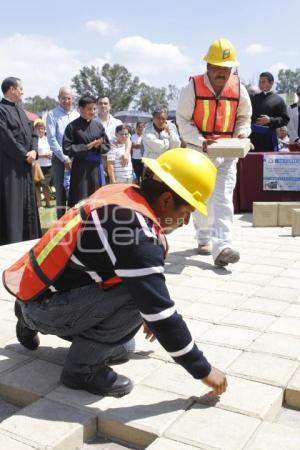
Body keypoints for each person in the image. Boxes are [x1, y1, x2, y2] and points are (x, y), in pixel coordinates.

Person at [5, 148, 228, 398]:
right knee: (139, 297)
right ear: (166, 199)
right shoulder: (137, 233)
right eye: (186, 212)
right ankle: (81, 370)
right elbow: (161, 312)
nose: (185, 222)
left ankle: (27, 317)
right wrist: (203, 369)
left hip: (38, 290)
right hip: (45, 306)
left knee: (124, 348)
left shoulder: (122, 193)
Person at [176, 38, 252, 266]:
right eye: (218, 67)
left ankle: (223, 247)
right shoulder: (192, 87)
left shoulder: (239, 88)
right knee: (203, 200)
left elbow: (244, 118)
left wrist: (242, 133)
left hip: (228, 153)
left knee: (223, 199)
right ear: (208, 66)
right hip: (199, 152)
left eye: (227, 68)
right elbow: (183, 120)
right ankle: (203, 237)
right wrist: (201, 141)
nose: (222, 73)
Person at [0, 76, 41, 245]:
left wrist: (34, 151)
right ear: (11, 89)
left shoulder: (22, 111)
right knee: (12, 204)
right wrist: (25, 154)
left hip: (25, 165)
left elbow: (33, 133)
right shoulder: (1, 110)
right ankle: (12, 240)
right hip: (10, 166)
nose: (22, 92)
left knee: (28, 203)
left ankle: (28, 239)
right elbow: (6, 138)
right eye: (20, 88)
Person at [63, 95, 110, 208]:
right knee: (80, 197)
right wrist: (86, 147)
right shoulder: (72, 127)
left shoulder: (98, 125)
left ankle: (96, 223)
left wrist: (99, 146)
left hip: (96, 168)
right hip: (81, 169)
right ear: (81, 108)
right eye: (90, 109)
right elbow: (66, 148)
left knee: (97, 198)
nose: (93, 112)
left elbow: (107, 145)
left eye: (94, 109)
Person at [46, 87, 79, 218]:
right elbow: (51, 139)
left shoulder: (77, 114)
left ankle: (74, 222)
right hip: (60, 160)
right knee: (60, 194)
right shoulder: (52, 115)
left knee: (75, 191)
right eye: (63, 98)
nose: (66, 101)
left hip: (76, 160)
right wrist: (64, 158)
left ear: (73, 99)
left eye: (69, 98)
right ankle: (61, 223)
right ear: (59, 99)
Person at [250, 72, 289, 152]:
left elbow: (285, 119)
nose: (260, 84)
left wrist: (270, 120)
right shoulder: (253, 99)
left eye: (263, 81)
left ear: (271, 83)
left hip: (269, 140)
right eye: (260, 81)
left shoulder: (278, 100)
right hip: (253, 139)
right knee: (252, 163)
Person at [33, 118, 52, 208]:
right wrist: (43, 156)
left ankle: (48, 203)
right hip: (37, 166)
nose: (40, 130)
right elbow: (33, 153)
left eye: (42, 128)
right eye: (38, 128)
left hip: (48, 165)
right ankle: (39, 203)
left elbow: (52, 150)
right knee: (37, 186)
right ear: (35, 129)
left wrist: (51, 154)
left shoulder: (48, 139)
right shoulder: (34, 140)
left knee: (45, 185)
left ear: (44, 129)